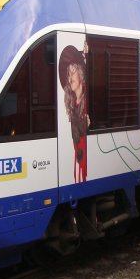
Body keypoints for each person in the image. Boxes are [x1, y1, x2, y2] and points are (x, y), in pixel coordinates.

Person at [59, 45, 90, 182]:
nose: (69, 78)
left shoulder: (89, 100)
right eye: (68, 74)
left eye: (72, 72)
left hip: (86, 164)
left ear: (81, 72)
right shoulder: (72, 104)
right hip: (79, 163)